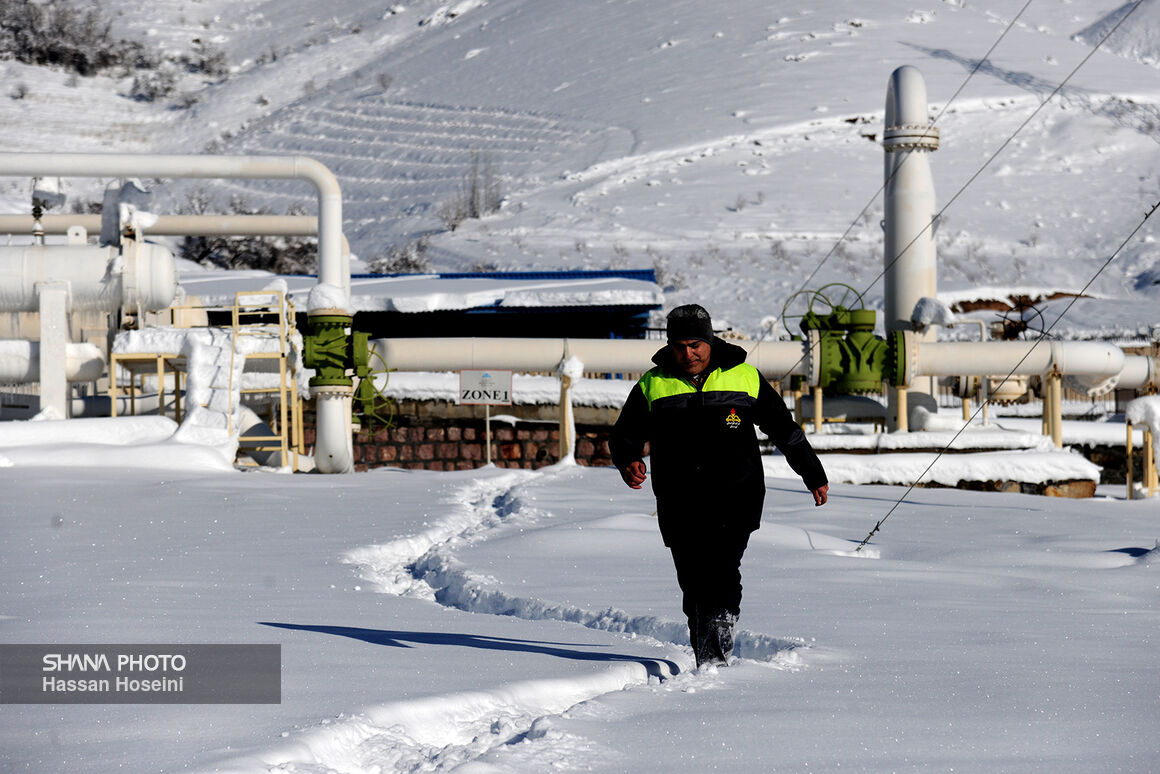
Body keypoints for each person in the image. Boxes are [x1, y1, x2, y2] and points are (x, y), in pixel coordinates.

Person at [610, 304, 829, 668]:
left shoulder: (744, 377)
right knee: (693, 581)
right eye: (680, 345)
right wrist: (627, 460)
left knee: (722, 570)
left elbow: (783, 429)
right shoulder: (653, 383)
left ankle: (715, 657)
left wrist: (812, 473)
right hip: (679, 499)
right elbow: (624, 434)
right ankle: (706, 653)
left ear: (710, 341)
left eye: (695, 344)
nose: (688, 353)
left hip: (736, 495)